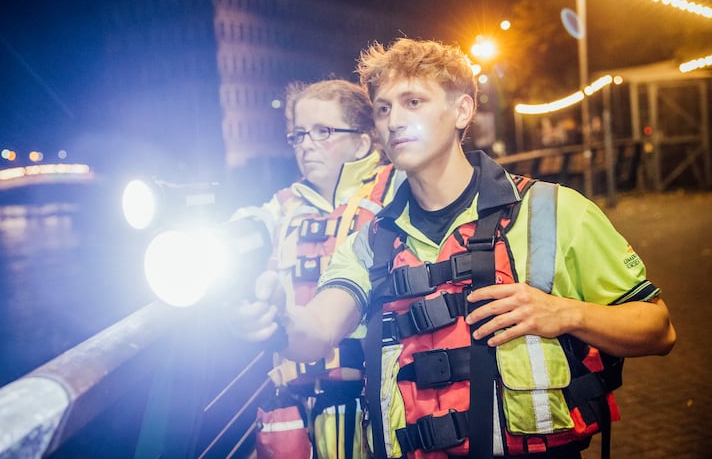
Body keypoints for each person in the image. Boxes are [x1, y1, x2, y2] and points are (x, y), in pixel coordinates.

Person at [237, 39, 676, 459]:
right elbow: (316, 333)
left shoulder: (552, 211)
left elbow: (658, 329)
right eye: (384, 108)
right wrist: (276, 320)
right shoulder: (371, 242)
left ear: (462, 109)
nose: (393, 120)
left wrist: (566, 313)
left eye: (414, 102)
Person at [231, 79, 403, 459]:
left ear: (362, 141)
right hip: (295, 402)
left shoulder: (398, 193)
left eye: (322, 131)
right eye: (298, 135)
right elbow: (241, 230)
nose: (306, 144)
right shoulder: (281, 209)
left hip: (375, 401)